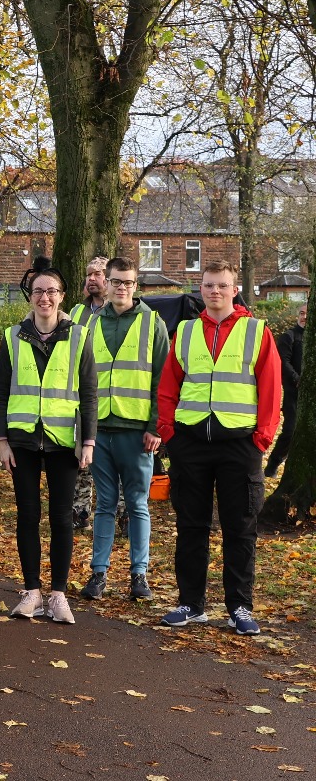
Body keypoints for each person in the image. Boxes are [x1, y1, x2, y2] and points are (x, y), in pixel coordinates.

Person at [157, 260, 281, 635]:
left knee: (240, 528)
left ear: (234, 288)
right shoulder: (186, 331)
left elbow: (271, 388)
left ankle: (240, 607)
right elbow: (168, 385)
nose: (214, 292)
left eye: (222, 286)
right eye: (208, 285)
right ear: (200, 289)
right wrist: (170, 435)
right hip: (190, 442)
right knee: (190, 526)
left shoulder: (257, 331)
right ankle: (191, 604)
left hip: (239, 444)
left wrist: (261, 438)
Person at [0, 257, 98, 624]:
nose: (45, 298)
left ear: (62, 296)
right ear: (31, 297)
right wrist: (1, 439)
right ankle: (32, 591)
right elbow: (2, 392)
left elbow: (88, 393)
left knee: (62, 519)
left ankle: (58, 595)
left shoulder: (79, 336)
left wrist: (88, 442)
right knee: (27, 515)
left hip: (62, 441)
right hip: (21, 441)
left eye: (52, 291)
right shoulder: (11, 336)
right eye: (39, 291)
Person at [83, 256, 167, 602]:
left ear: (136, 285)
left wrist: (155, 427)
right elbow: (81, 379)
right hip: (100, 428)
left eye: (128, 282)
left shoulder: (152, 323)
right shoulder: (89, 323)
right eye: (115, 281)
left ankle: (139, 575)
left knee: (137, 504)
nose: (121, 288)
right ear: (106, 282)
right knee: (103, 503)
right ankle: (98, 574)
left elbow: (163, 379)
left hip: (137, 432)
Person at [68, 256, 108, 530]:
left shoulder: (119, 311)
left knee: (110, 468)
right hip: (80, 402)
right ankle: (80, 515)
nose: (91, 278)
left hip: (110, 401)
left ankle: (118, 517)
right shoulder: (76, 313)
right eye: (88, 274)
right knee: (81, 464)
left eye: (98, 274)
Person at [266, 304, 304, 478]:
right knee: (290, 430)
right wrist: (298, 380)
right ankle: (273, 465)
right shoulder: (289, 336)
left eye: (308, 314)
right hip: (293, 393)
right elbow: (283, 361)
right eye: (302, 313)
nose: (304, 317)